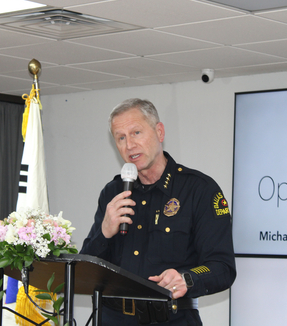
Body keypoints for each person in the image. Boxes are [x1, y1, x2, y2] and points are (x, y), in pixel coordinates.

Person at [80, 98, 236, 325]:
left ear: (159, 132)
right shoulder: (113, 192)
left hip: (172, 318)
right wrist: (104, 232)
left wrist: (187, 279)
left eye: (136, 133)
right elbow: (86, 270)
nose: (129, 145)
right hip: (113, 318)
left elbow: (223, 267)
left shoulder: (199, 189)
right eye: (120, 138)